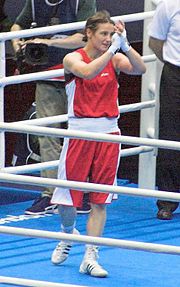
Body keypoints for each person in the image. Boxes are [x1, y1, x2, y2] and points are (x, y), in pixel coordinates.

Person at [50, 10, 146, 277]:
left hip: (109, 134)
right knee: (68, 199)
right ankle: (68, 234)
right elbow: (89, 73)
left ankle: (91, 255)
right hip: (80, 133)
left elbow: (140, 69)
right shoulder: (72, 58)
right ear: (89, 34)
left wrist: (125, 46)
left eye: (110, 34)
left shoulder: (115, 57)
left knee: (100, 199)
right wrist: (112, 51)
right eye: (103, 34)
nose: (107, 39)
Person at [11, 0, 97, 215]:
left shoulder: (81, 1)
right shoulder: (34, 2)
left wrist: (48, 42)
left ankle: (82, 191)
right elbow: (16, 25)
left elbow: (84, 36)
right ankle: (50, 194)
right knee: (47, 136)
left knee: (80, 136)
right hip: (46, 74)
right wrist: (18, 42)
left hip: (78, 75)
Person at [148, 0, 180, 220]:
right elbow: (155, 42)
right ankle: (167, 201)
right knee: (169, 135)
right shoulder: (169, 6)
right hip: (174, 74)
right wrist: (173, 62)